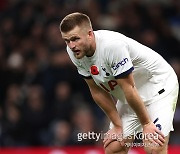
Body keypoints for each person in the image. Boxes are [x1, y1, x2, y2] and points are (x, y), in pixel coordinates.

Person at [59, 12, 179, 154]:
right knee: (114, 148)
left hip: (158, 86)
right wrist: (117, 125)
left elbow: (129, 88)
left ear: (90, 34)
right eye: (67, 41)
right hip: (131, 95)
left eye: (75, 39)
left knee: (154, 145)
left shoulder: (112, 46)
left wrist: (146, 124)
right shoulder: (75, 51)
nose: (71, 45)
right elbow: (96, 90)